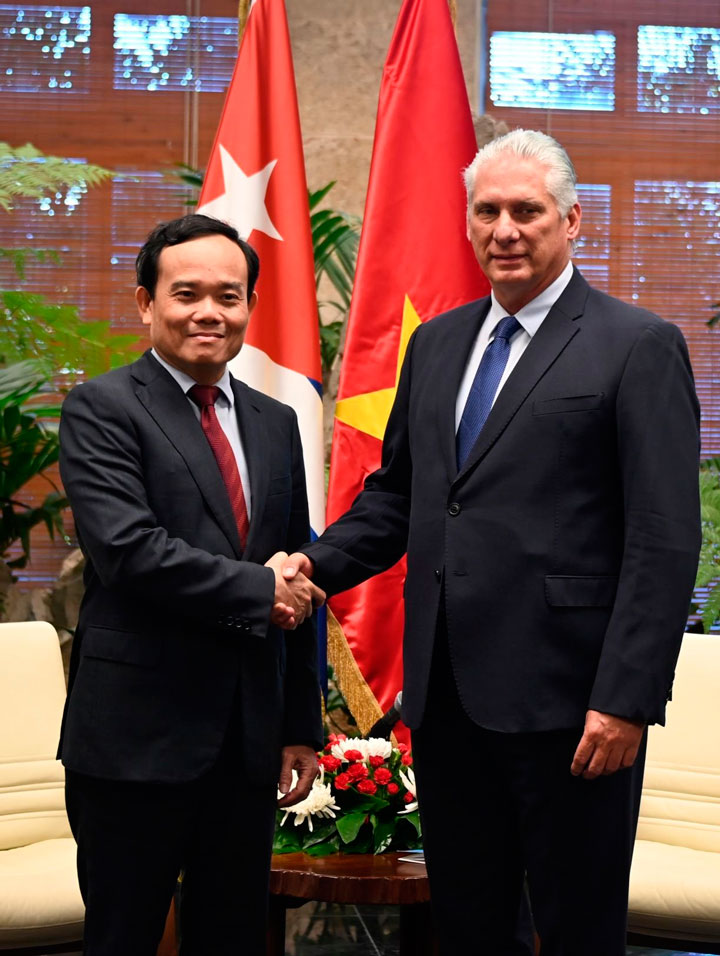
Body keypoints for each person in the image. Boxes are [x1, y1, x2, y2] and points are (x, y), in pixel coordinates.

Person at [281, 130, 701, 955]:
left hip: (573, 707)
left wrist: (624, 698)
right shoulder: (437, 344)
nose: (505, 228)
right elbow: (399, 496)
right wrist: (310, 564)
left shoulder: (637, 344)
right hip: (447, 702)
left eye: (526, 210)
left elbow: (664, 538)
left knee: (576, 928)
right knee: (466, 925)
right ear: (467, 224)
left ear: (573, 221)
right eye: (487, 212)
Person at [58, 213, 325, 956]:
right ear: (146, 303)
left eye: (229, 296)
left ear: (248, 307)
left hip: (245, 745)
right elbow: (129, 552)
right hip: (133, 742)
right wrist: (258, 589)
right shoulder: (102, 408)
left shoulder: (276, 423)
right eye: (187, 293)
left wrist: (302, 723)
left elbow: (297, 569)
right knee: (123, 937)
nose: (210, 311)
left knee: (231, 936)